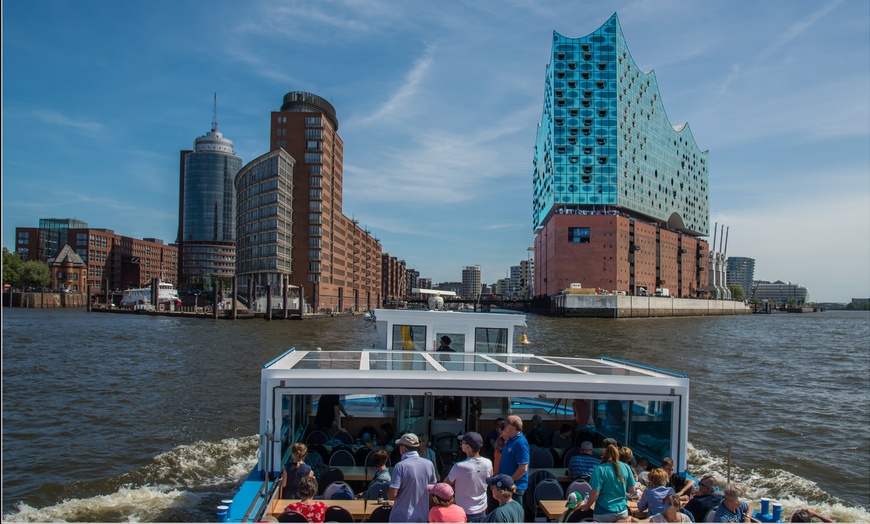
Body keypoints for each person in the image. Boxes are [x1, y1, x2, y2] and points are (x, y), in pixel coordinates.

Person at [579, 444, 636, 522]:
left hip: (603, 512)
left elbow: (594, 494)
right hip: (622, 511)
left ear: (604, 455)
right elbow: (632, 490)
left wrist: (587, 506)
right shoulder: (626, 467)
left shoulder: (599, 469)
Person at [387, 433, 437, 522]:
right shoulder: (429, 464)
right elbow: (432, 492)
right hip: (422, 516)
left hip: (402, 517)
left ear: (403, 447)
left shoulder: (400, 466)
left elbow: (392, 495)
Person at [447, 432, 493, 523]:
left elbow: (446, 483)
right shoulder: (488, 463)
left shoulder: (459, 466)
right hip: (482, 510)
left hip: (463, 512)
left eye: (463, 443)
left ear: (468, 447)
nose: (461, 444)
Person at [498, 415, 530, 503]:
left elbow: (523, 468)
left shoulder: (521, 443)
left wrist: (509, 481)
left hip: (515, 487)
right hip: (507, 485)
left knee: (515, 514)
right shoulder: (511, 440)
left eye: (507, 423)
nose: (505, 425)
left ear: (514, 427)